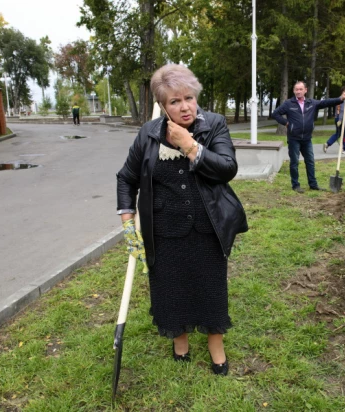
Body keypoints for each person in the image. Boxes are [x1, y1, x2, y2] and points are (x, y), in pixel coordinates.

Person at [116, 64, 248, 376]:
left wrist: (190, 145)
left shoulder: (214, 125)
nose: (185, 106)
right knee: (170, 288)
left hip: (207, 227)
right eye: (174, 102)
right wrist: (126, 217)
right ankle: (180, 341)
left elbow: (227, 167)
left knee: (211, 288)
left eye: (189, 97)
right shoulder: (147, 135)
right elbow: (126, 178)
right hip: (164, 231)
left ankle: (216, 344)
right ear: (162, 106)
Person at [272, 81, 345, 193]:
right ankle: (295, 185)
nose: (298, 91)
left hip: (307, 138)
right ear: (294, 91)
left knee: (310, 161)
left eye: (300, 89)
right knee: (294, 162)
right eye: (296, 89)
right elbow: (275, 113)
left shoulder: (311, 103)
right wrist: (285, 122)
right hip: (294, 138)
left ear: (305, 90)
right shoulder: (289, 104)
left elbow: (325, 102)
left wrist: (340, 98)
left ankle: (313, 184)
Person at [323, 86, 345, 154]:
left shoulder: (344, 99)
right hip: (341, 118)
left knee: (338, 134)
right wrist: (340, 120)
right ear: (342, 92)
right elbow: (341, 111)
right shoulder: (341, 99)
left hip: (341, 118)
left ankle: (327, 144)